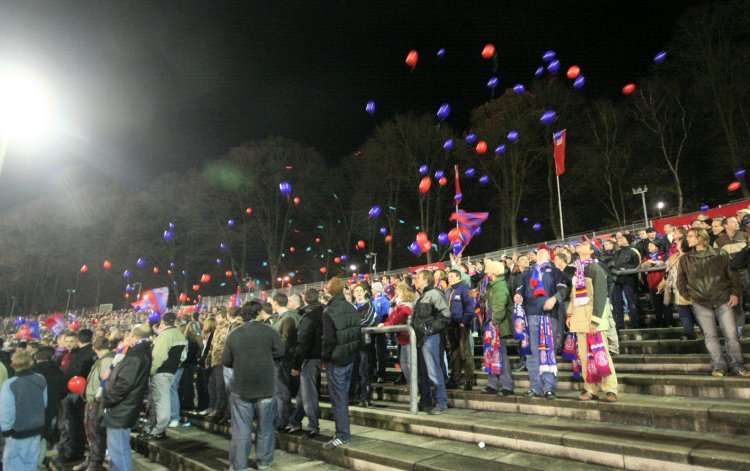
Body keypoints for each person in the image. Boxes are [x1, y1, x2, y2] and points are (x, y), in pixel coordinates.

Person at [677, 228, 748, 377]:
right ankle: (719, 365)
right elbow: (681, 281)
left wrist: (735, 293)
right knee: (710, 336)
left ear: (701, 238)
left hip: (723, 299)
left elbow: (732, 275)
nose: (687, 239)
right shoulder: (685, 259)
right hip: (700, 302)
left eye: (690, 236)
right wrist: (690, 296)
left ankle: (737, 364)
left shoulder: (720, 254)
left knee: (731, 334)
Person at [222, 302, 285, 471]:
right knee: (265, 427)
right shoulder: (269, 331)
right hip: (265, 386)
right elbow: (280, 352)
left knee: (241, 430)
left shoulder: (234, 334)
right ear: (258, 313)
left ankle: (238, 465)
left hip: (241, 387)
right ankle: (263, 461)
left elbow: (226, 360)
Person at [513, 244, 568, 399]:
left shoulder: (555, 271)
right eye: (539, 252)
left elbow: (563, 290)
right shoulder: (527, 273)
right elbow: (519, 290)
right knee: (531, 354)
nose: (541, 254)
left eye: (545, 252)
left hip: (548, 316)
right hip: (529, 316)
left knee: (548, 351)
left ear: (549, 256)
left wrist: (554, 299)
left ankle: (549, 387)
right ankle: (536, 386)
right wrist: (518, 296)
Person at [567, 240, 618, 402]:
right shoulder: (578, 270)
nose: (579, 245)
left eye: (584, 244)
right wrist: (570, 314)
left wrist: (595, 320)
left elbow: (601, 295)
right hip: (580, 319)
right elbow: (573, 295)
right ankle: (590, 389)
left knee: (601, 354)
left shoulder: (596, 269)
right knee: (583, 356)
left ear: (590, 251)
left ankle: (610, 388)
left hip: (593, 319)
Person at [103, 325, 152, 471]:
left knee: (119, 450)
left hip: (122, 408)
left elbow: (125, 383)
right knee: (118, 448)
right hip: (124, 406)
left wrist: (107, 398)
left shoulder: (135, 354)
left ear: (133, 335)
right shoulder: (140, 351)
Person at [320, 277, 361, 450]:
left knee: (338, 399)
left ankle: (343, 434)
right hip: (349, 357)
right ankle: (343, 432)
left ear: (329, 290)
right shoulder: (351, 307)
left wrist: (325, 358)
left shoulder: (329, 310)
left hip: (337, 360)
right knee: (341, 397)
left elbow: (328, 340)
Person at [142, 312, 187, 440]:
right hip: (171, 372)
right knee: (162, 400)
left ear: (163, 322)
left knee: (160, 402)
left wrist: (151, 371)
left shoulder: (165, 335)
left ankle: (158, 430)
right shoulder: (179, 334)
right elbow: (183, 356)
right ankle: (157, 429)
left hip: (161, 372)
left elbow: (158, 357)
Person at [412, 270, 452, 414]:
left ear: (426, 281)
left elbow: (445, 316)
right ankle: (427, 402)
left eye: (418, 278)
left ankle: (441, 403)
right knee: (424, 371)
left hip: (431, 338)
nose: (415, 280)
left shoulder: (434, 294)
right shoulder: (423, 296)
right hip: (422, 338)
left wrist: (429, 329)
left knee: (434, 370)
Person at [0, 351, 47, 471]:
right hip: (36, 428)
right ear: (31, 363)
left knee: (14, 464)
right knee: (31, 461)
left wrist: (6, 430)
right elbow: (44, 403)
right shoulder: (41, 379)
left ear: (12, 364)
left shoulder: (10, 384)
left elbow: (7, 411)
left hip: (17, 431)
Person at [287, 288, 324, 438]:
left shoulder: (309, 316)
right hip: (317, 356)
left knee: (308, 394)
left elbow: (303, 343)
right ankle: (295, 421)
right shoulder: (323, 312)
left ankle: (313, 425)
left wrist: (296, 365)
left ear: (305, 298)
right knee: (303, 393)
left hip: (310, 358)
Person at [57, 329, 97, 464]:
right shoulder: (89, 352)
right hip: (80, 392)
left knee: (73, 422)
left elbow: (72, 372)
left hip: (75, 393)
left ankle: (73, 451)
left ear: (78, 340)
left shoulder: (80, 355)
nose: (68, 344)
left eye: (71, 341)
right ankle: (73, 449)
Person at [76, 335, 115, 471]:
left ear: (94, 347)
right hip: (93, 401)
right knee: (92, 434)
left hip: (96, 403)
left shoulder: (107, 360)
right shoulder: (103, 359)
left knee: (96, 434)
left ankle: (95, 463)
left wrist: (98, 399)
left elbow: (106, 382)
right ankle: (91, 459)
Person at [482, 260, 514, 396]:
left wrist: (494, 322)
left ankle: (507, 385)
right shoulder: (493, 285)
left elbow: (500, 307)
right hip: (492, 324)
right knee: (491, 353)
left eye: (488, 268)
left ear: (494, 271)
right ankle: (493, 383)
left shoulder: (500, 286)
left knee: (500, 354)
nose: (485, 271)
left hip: (497, 325)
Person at [31, 346, 67, 467]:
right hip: (52, 408)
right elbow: (64, 391)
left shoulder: (32, 371)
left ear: (37, 356)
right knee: (45, 435)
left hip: (33, 409)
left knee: (33, 436)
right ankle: (39, 461)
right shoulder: (59, 371)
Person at [714, 215, 749, 338]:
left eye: (736, 221)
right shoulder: (718, 241)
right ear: (725, 225)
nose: (736, 223)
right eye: (733, 222)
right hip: (731, 275)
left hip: (746, 272)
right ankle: (739, 329)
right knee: (737, 302)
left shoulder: (745, 235)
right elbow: (716, 260)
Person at [270, 293, 300, 431]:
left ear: (276, 303)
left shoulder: (288, 318)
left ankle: (282, 421)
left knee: (281, 393)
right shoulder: (281, 317)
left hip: (283, 360)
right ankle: (280, 419)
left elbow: (286, 341)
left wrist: (276, 353)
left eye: (272, 302)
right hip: (280, 358)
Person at [377, 283, 416, 387]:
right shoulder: (399, 304)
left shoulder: (407, 305)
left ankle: (414, 386)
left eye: (399, 290)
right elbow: (392, 317)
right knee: (404, 363)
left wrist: (386, 324)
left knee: (408, 363)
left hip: (408, 338)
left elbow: (399, 317)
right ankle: (411, 384)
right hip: (402, 338)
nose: (397, 293)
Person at [445, 269, 475, 391]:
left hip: (461, 326)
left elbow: (470, 307)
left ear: (458, 277)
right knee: (454, 353)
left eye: (452, 276)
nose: (449, 278)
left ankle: (469, 380)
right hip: (450, 325)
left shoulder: (463, 289)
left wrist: (464, 321)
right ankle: (455, 379)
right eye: (448, 276)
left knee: (465, 352)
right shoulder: (447, 290)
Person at [351, 283, 376, 407]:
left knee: (363, 371)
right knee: (354, 371)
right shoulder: (351, 307)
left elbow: (368, 321)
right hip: (353, 343)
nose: (359, 293)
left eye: (361, 290)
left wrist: (353, 325)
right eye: (356, 291)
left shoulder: (369, 305)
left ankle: (365, 397)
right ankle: (355, 396)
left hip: (364, 343)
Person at [610, 233, 642, 329]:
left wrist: (626, 268)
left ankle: (635, 324)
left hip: (629, 279)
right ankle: (619, 324)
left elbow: (637, 265)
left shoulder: (633, 251)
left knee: (631, 302)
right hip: (617, 280)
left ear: (627, 240)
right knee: (617, 302)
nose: (619, 239)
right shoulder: (616, 252)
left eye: (622, 238)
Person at [641, 242, 667, 327]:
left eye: (651, 245)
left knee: (666, 303)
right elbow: (642, 266)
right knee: (656, 303)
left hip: (663, 282)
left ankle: (669, 321)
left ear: (656, 247)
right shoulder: (646, 257)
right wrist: (646, 264)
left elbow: (665, 262)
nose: (649, 247)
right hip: (652, 283)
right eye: (648, 246)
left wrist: (655, 263)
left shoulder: (663, 254)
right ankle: (659, 321)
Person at [370, 282, 391, 384]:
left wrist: (382, 323)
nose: (371, 290)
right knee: (373, 353)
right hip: (373, 329)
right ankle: (374, 373)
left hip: (380, 330)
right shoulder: (373, 300)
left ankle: (381, 374)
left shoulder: (384, 300)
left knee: (380, 353)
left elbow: (386, 315)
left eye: (373, 288)